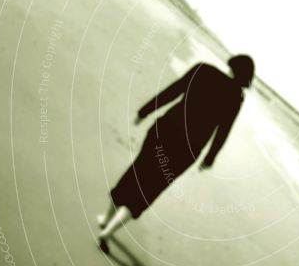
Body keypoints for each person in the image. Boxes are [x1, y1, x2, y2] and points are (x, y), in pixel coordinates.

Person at [97, 55, 255, 254]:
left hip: (163, 131)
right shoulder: (236, 97)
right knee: (150, 188)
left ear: (231, 64)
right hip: (186, 150)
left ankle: (105, 218)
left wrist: (145, 111)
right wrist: (209, 158)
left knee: (137, 171)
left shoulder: (203, 70)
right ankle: (108, 233)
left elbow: (172, 92)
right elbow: (224, 130)